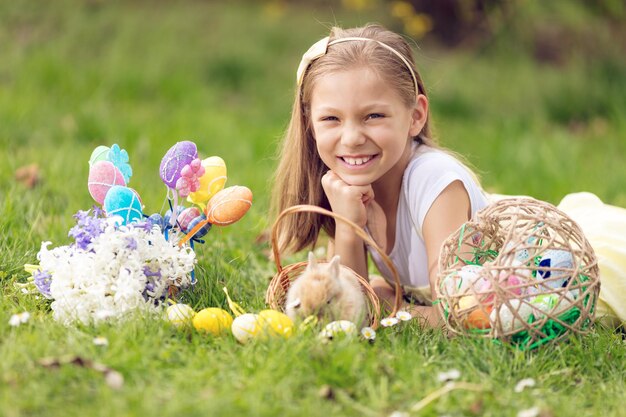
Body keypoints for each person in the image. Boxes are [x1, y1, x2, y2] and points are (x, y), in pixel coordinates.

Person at [270, 24, 489, 327]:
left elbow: (463, 317)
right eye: (331, 118)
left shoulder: (436, 183)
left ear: (415, 116)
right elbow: (351, 306)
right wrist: (348, 226)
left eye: (373, 116)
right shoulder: (348, 187)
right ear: (310, 124)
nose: (351, 138)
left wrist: (386, 303)